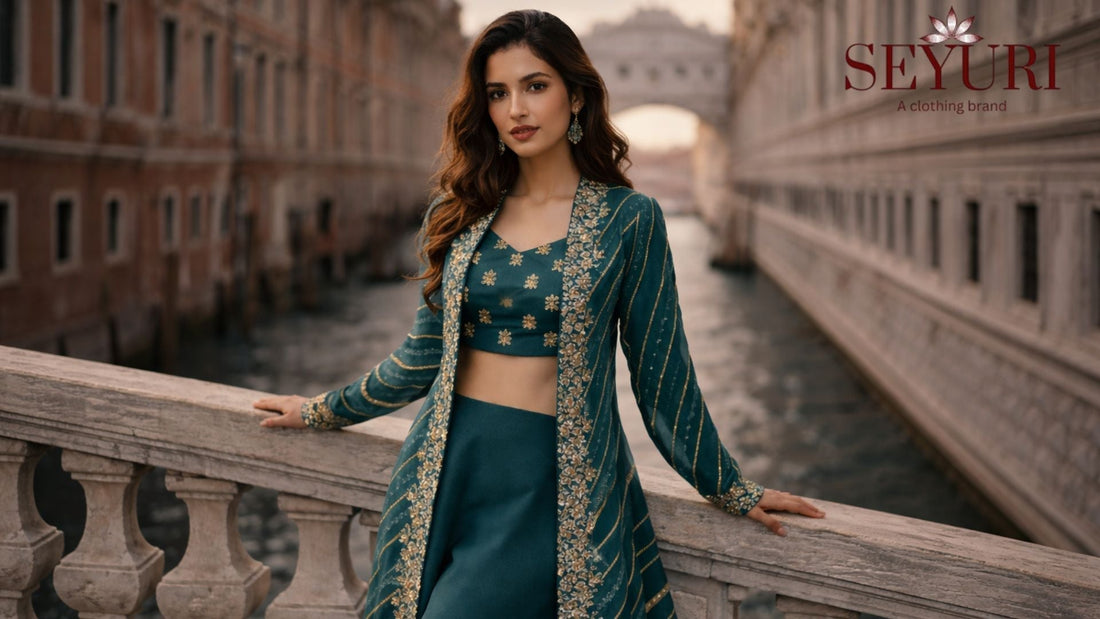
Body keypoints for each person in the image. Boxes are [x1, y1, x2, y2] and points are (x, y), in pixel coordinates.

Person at [252, 9, 823, 618]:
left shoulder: (629, 220)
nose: (516, 109)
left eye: (535, 86)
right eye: (498, 93)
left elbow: (663, 377)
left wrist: (731, 487)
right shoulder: (459, 210)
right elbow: (421, 358)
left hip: (550, 480)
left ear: (576, 97)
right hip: (446, 466)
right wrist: (319, 408)